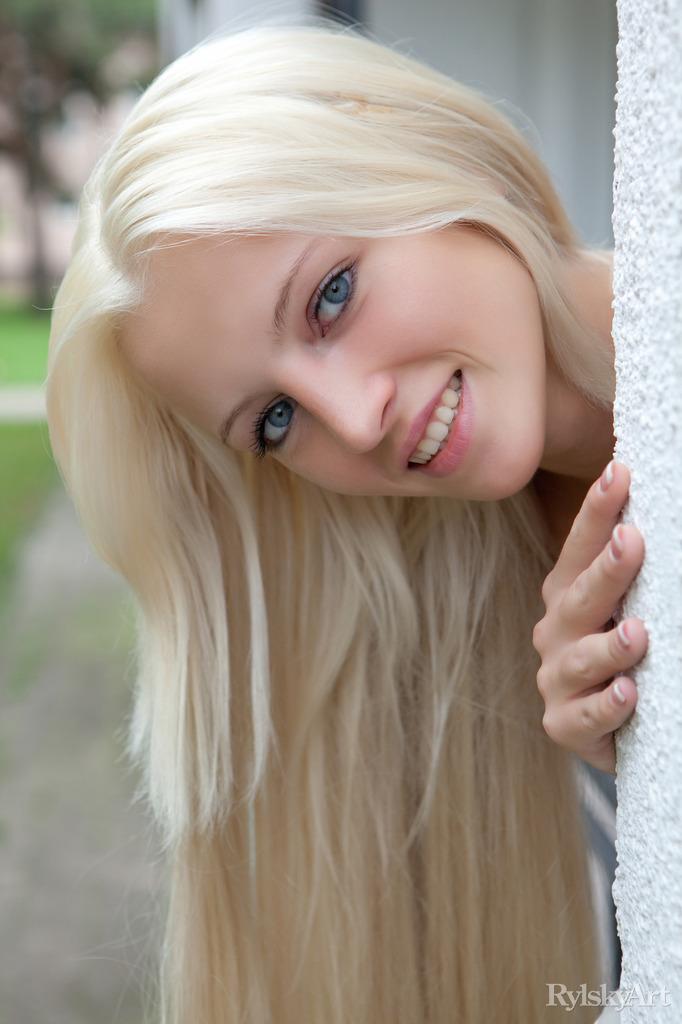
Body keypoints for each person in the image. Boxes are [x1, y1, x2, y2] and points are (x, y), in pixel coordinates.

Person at [45, 18, 648, 1024]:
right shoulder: (502, 619)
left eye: (329, 297)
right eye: (273, 419)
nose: (354, 418)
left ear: (424, 158)